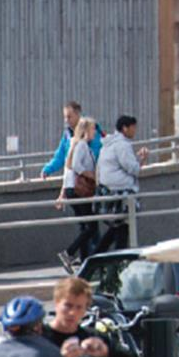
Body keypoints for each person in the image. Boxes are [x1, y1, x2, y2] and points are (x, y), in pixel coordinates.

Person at [93, 115, 149, 254]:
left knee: (118, 228)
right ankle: (115, 262)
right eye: (133, 128)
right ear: (125, 128)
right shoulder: (122, 145)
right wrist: (142, 160)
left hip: (108, 191)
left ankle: (98, 257)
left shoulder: (109, 144)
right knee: (122, 228)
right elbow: (133, 169)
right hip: (121, 194)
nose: (135, 131)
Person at [54, 116, 99, 270]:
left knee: (85, 225)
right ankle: (69, 253)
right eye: (93, 129)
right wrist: (92, 175)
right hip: (78, 190)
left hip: (73, 189)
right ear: (86, 130)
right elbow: (76, 166)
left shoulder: (77, 144)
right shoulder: (81, 145)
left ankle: (84, 260)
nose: (95, 132)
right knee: (91, 226)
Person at [41, 100, 103, 179]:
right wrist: (48, 169)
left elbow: (96, 155)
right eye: (65, 117)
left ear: (78, 114)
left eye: (69, 117)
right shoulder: (67, 135)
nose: (66, 120)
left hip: (88, 181)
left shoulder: (92, 133)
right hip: (72, 180)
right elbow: (60, 156)